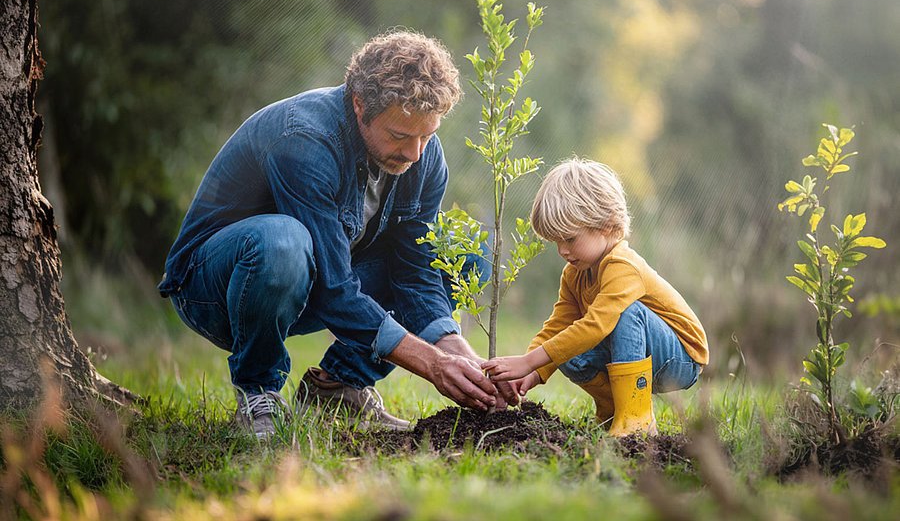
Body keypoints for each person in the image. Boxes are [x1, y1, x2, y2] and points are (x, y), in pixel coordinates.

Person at [158, 30, 513, 438]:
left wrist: (455, 351)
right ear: (360, 104)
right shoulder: (305, 139)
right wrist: (431, 364)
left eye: (426, 135)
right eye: (400, 136)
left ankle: (338, 389)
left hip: (311, 286)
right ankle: (259, 392)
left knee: (461, 255)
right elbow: (333, 288)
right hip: (216, 289)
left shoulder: (423, 158)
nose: (415, 153)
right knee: (284, 240)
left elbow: (416, 271)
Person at [481, 157, 708, 436]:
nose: (562, 250)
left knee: (628, 312)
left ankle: (636, 418)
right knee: (565, 349)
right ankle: (614, 411)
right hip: (635, 353)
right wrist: (533, 371)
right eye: (556, 241)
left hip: (680, 358)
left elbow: (596, 326)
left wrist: (529, 361)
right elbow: (558, 326)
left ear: (606, 225)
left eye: (570, 239)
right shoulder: (574, 274)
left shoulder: (622, 266)